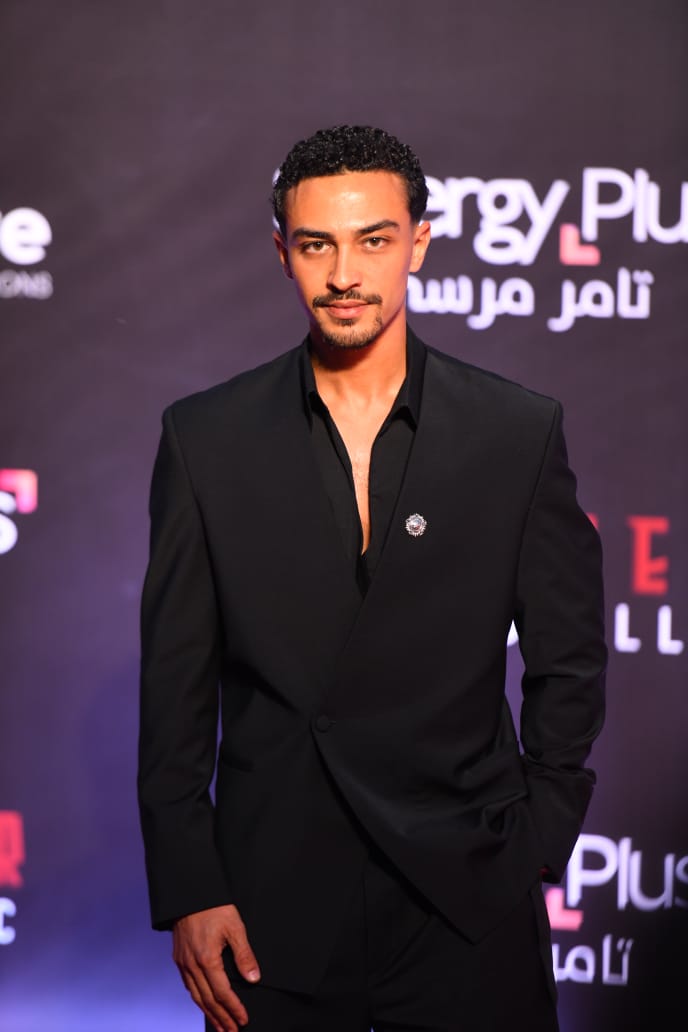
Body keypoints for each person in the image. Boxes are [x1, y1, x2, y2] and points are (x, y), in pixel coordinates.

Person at [137, 125, 606, 1032]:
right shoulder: (206, 439)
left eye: (373, 240)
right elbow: (175, 688)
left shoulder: (515, 433)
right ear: (282, 252)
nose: (344, 274)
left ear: (418, 243)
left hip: (467, 894)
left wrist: (539, 837)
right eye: (317, 244)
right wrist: (191, 884)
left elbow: (571, 658)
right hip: (272, 904)